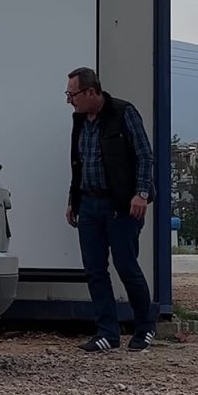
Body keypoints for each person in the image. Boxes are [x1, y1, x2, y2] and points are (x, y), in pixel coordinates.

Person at [65, 67, 158, 353]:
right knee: (94, 270)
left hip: (122, 205)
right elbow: (78, 162)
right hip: (89, 204)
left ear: (91, 92)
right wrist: (73, 200)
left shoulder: (123, 112)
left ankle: (145, 329)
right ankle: (107, 333)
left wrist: (141, 193)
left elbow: (144, 155)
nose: (70, 100)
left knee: (126, 266)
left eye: (73, 94)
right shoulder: (80, 120)